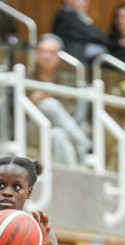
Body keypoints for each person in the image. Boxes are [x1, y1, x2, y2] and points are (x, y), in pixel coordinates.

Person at [30, 34, 93, 166]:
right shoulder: (26, 76)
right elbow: (12, 110)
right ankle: (83, 142)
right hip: (33, 128)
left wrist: (49, 94)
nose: (46, 56)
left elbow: (74, 110)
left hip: (62, 128)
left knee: (57, 134)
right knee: (48, 104)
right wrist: (34, 102)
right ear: (36, 53)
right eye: (42, 51)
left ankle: (72, 175)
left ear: (59, 57)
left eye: (51, 52)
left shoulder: (69, 80)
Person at [51, 0, 109, 65]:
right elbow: (94, 34)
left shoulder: (78, 15)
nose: (87, 2)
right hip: (73, 60)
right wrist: (112, 42)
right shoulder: (66, 16)